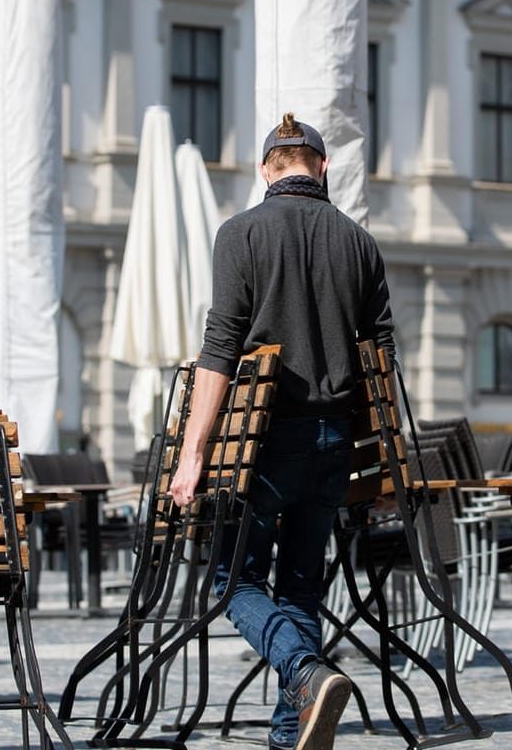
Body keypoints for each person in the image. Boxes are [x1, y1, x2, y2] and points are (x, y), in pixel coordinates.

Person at [169, 112, 395, 750]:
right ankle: (288, 734)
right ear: (323, 167)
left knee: (232, 580)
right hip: (334, 443)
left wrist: (192, 455)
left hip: (262, 445)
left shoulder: (239, 234)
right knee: (301, 584)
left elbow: (220, 349)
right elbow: (382, 366)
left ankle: (302, 672)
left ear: (266, 169)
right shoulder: (359, 242)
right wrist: (381, 466)